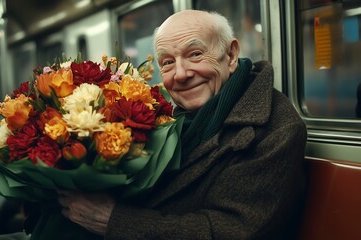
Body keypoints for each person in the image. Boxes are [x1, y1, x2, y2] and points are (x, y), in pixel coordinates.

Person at [57, 10, 307, 239]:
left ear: (230, 55)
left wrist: (113, 220)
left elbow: (233, 231)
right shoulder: (171, 120)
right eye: (167, 62)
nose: (181, 74)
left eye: (195, 54)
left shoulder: (275, 130)